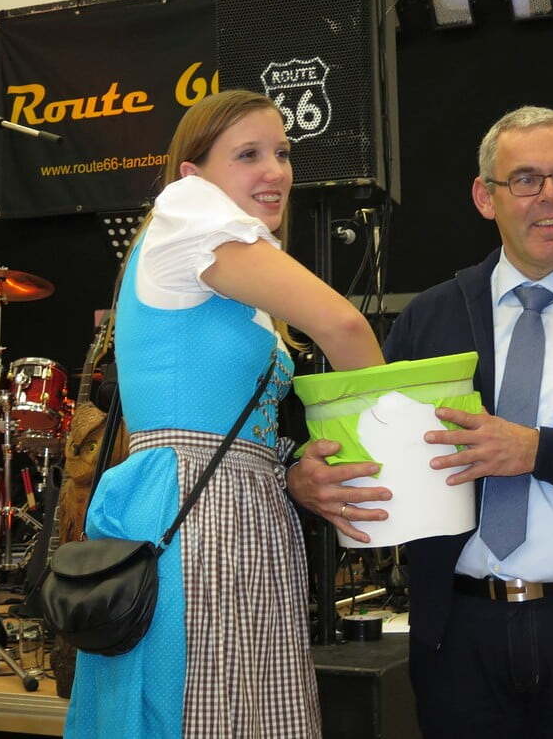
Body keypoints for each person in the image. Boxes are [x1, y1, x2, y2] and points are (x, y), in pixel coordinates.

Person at [287, 105, 553, 738]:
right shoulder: (430, 318)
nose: (549, 195)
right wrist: (309, 482)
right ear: (484, 198)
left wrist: (539, 451)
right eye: (524, 179)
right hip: (457, 641)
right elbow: (368, 453)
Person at [65, 89, 385, 739]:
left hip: (237, 509)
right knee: (200, 713)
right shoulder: (190, 213)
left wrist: (295, 466)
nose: (276, 171)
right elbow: (345, 326)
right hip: (198, 513)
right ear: (194, 173)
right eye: (248, 155)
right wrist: (390, 454)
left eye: (283, 153)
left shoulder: (231, 272)